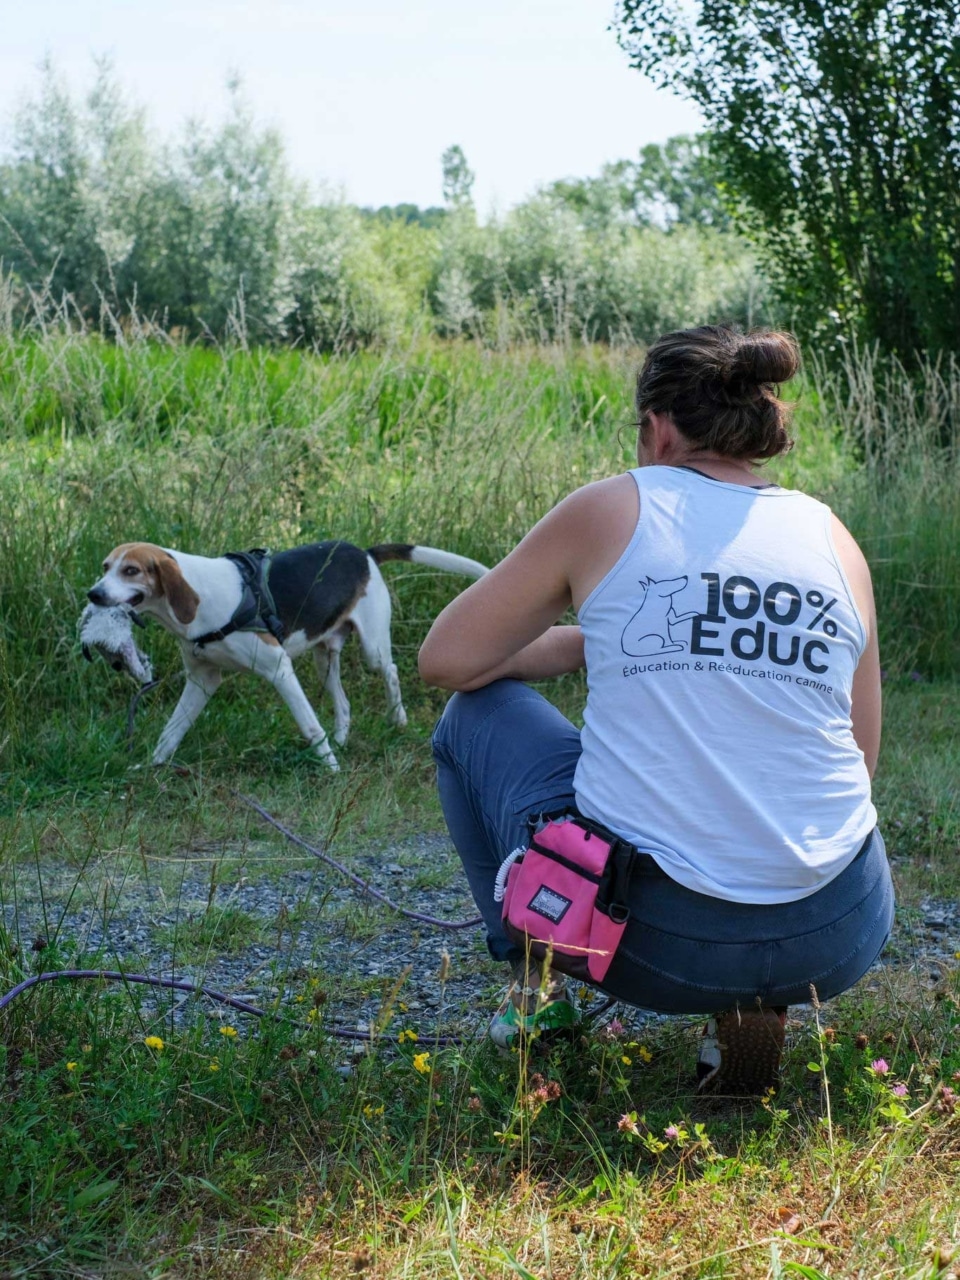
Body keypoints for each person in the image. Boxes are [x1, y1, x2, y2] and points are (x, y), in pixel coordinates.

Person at [418, 325, 893, 1092]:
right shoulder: (832, 536)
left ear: (657, 428)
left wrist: (577, 638)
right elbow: (858, 760)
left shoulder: (612, 508)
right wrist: (591, 644)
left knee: (471, 720)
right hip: (835, 934)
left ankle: (535, 1001)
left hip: (649, 944)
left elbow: (447, 660)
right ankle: (751, 1006)